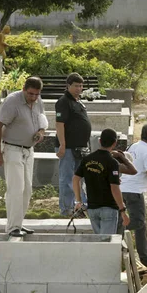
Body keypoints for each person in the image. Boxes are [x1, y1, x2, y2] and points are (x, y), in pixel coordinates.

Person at [0, 76, 46, 237]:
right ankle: (12, 227)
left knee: (27, 190)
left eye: (36, 94)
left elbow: (41, 120)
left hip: (29, 150)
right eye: (30, 94)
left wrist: (40, 132)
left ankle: (19, 224)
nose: (33, 98)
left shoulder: (38, 101)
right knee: (16, 189)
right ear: (24, 89)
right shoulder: (12, 101)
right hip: (12, 149)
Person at [73, 128, 131, 235]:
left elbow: (76, 179)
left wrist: (78, 200)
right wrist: (122, 210)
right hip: (108, 208)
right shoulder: (112, 162)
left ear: (100, 141)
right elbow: (114, 188)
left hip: (93, 209)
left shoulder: (87, 159)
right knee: (106, 244)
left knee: (99, 243)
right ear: (114, 143)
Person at [119, 123, 147, 268]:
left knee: (140, 226)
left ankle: (145, 258)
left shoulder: (133, 147)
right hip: (134, 191)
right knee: (138, 223)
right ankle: (118, 235)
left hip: (123, 188)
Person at [55, 73, 92, 216]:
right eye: (76, 85)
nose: (79, 88)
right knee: (67, 179)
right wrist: (62, 145)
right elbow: (59, 124)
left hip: (80, 148)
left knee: (78, 178)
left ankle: (79, 206)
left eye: (81, 86)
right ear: (68, 86)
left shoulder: (78, 102)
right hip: (68, 147)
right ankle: (66, 209)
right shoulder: (64, 101)